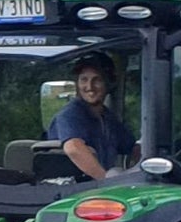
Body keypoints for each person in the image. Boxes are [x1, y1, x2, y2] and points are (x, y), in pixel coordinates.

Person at [47, 52, 134, 180]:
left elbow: (132, 146)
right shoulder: (70, 115)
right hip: (71, 190)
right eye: (84, 80)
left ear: (109, 82)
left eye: (97, 80)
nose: (89, 87)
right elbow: (74, 148)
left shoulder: (108, 118)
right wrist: (106, 182)